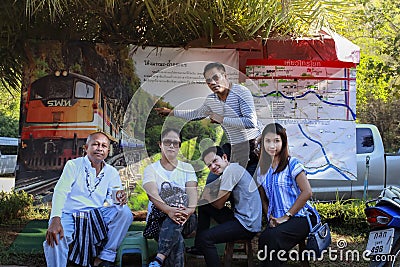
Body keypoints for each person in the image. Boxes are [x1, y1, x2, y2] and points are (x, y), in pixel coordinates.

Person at [43, 132, 133, 267]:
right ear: (86, 148)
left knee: (125, 213)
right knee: (56, 237)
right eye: (95, 144)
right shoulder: (73, 165)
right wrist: (55, 219)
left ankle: (105, 257)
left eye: (104, 146)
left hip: (95, 214)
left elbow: (114, 199)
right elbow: (60, 191)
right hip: (70, 215)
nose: (99, 148)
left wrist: (119, 199)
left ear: (108, 151)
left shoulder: (111, 172)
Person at [155, 62, 261, 176]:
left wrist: (222, 119)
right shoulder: (211, 100)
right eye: (209, 81)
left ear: (225, 76)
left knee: (251, 187)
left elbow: (251, 122)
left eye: (216, 78)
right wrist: (171, 112)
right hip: (234, 150)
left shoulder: (241, 92)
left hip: (253, 149)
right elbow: (196, 114)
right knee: (225, 185)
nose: (213, 83)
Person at [256, 123, 319, 267]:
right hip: (277, 219)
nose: (272, 145)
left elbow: (307, 192)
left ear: (283, 142)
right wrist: (269, 217)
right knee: (264, 239)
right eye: (268, 141)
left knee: (273, 238)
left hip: (300, 217)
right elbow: (263, 198)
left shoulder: (292, 163)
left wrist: (286, 216)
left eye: (276, 141)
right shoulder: (262, 169)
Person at [196, 145, 262, 267]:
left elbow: (219, 204)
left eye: (215, 161)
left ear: (224, 157)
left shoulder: (231, 170)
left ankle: (202, 244)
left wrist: (207, 195)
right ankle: (199, 247)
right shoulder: (232, 170)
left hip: (246, 225)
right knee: (203, 204)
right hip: (242, 218)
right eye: (209, 165)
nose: (213, 167)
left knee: (205, 238)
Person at [143, 128, 198, 267]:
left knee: (179, 212)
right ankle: (159, 260)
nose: (172, 146)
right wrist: (169, 211)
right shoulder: (151, 169)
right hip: (158, 220)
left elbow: (192, 194)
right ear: (160, 144)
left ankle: (159, 258)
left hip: (186, 218)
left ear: (179, 146)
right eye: (167, 142)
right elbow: (152, 195)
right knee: (177, 239)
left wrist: (187, 211)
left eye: (176, 143)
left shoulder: (187, 168)